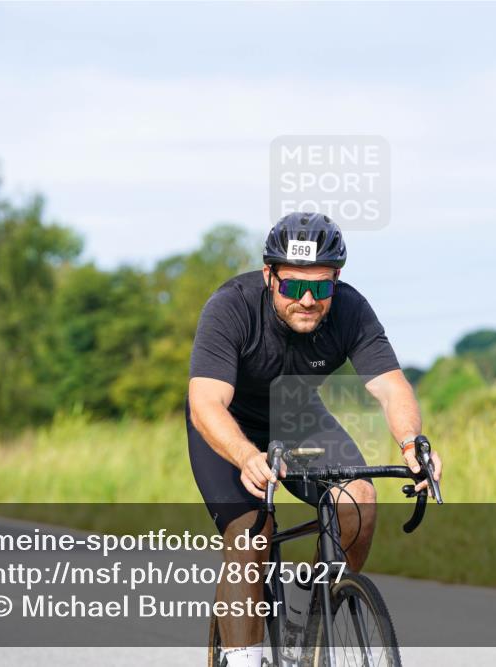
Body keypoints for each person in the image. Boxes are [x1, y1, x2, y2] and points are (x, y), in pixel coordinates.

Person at [186, 212, 442, 667]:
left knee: (359, 499)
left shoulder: (351, 309)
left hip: (297, 415)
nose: (307, 299)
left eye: (321, 287)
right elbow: (207, 402)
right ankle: (245, 658)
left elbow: (390, 384)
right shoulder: (231, 307)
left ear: (336, 280)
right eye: (293, 286)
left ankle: (322, 617)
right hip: (229, 427)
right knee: (251, 535)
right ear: (270, 275)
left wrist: (411, 443)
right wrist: (247, 456)